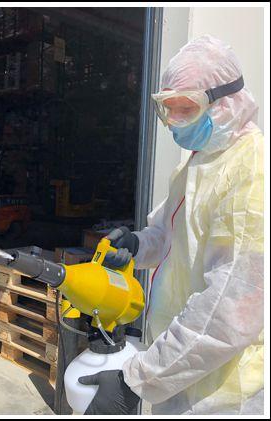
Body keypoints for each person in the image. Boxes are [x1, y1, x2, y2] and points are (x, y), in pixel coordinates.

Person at [78, 35, 264, 415]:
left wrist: (136, 380)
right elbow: (170, 237)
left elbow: (227, 310)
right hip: (176, 374)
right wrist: (137, 244)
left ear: (225, 103)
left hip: (225, 393)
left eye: (187, 109)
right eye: (169, 110)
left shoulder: (253, 172)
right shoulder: (195, 164)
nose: (176, 123)